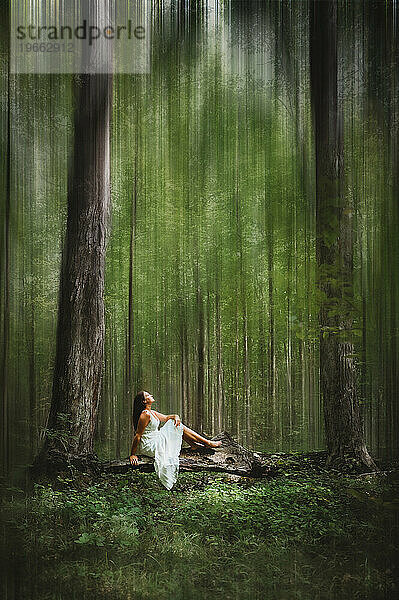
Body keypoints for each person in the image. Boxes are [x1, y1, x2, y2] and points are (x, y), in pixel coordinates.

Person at [129, 390, 222, 490]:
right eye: (147, 395)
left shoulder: (152, 412)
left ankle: (196, 444)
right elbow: (138, 435)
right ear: (144, 401)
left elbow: (167, 417)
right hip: (150, 444)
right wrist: (133, 454)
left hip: (156, 438)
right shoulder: (145, 414)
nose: (151, 395)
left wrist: (176, 417)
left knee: (176, 424)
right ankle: (207, 442)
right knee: (176, 426)